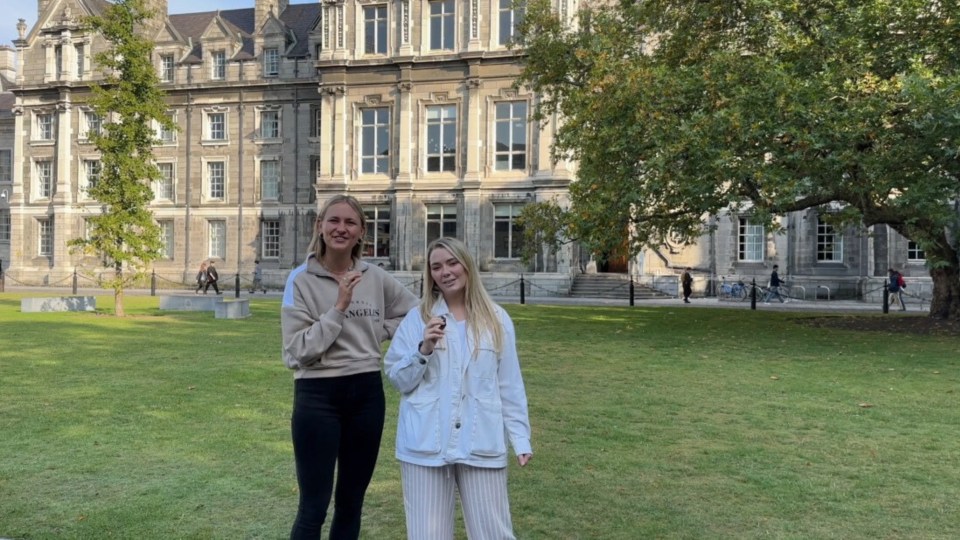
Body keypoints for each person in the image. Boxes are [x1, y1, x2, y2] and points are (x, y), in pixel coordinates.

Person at [281, 194, 418, 539]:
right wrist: (338, 309)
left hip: (366, 395)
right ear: (320, 227)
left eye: (350, 222)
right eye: (334, 221)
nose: (341, 228)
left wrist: (379, 330)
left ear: (361, 232)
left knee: (351, 502)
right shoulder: (300, 280)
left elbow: (415, 312)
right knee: (313, 506)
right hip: (317, 396)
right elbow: (296, 351)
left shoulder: (374, 276)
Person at [384, 237, 533, 540]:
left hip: (481, 438)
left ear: (467, 265)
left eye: (452, 263)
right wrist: (423, 349)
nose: (445, 272)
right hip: (425, 441)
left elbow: (509, 384)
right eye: (436, 266)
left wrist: (520, 437)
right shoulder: (418, 318)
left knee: (493, 533)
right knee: (427, 535)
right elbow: (398, 378)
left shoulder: (497, 320)